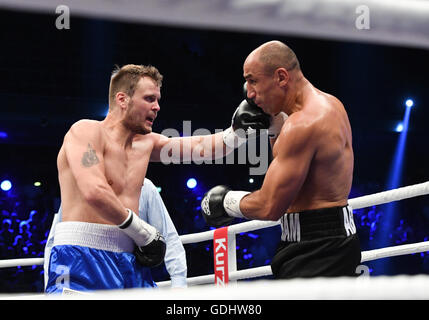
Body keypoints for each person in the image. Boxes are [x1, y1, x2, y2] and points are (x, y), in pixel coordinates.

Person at [47, 64, 275, 292]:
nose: (157, 107)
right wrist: (143, 233)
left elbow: (201, 147)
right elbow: (94, 191)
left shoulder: (146, 143)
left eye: (157, 99)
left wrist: (237, 132)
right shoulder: (86, 131)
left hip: (128, 262)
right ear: (122, 99)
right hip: (80, 258)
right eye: (149, 99)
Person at [201, 40, 361, 279]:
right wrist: (274, 127)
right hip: (326, 241)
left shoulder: (303, 124)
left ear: (281, 77)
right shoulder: (329, 104)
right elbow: (296, 173)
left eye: (253, 80)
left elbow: (270, 206)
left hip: (317, 249)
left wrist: (226, 202)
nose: (250, 93)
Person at [44, 178, 187, 291]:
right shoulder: (80, 189)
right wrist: (49, 284)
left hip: (132, 271)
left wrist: (178, 284)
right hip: (82, 268)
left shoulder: (144, 187)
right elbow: (54, 243)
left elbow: (168, 236)